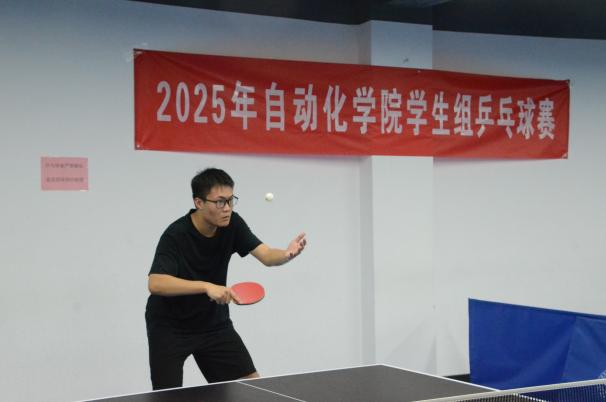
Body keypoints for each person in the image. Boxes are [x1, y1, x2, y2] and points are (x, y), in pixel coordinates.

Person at [145, 168, 306, 390]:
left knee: (251, 391)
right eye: (220, 202)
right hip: (170, 327)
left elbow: (268, 256)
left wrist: (287, 254)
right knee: (167, 396)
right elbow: (156, 283)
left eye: (231, 200)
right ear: (199, 202)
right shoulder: (176, 235)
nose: (228, 208)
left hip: (213, 324)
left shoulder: (233, 225)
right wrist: (206, 286)